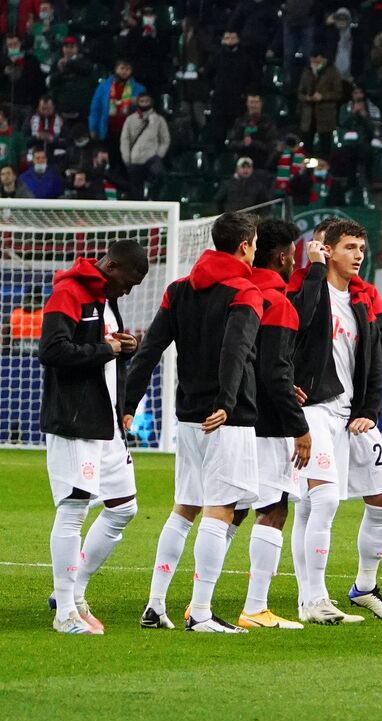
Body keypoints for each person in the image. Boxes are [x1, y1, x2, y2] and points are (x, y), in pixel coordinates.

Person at [123, 212, 263, 632]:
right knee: (219, 512)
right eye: (253, 244)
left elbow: (149, 349)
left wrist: (129, 401)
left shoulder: (178, 290)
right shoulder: (245, 290)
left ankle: (155, 604)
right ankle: (200, 612)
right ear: (244, 246)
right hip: (226, 418)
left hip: (187, 416)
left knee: (184, 509)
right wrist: (226, 399)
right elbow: (235, 350)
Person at [283, 221, 382, 625]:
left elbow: (376, 359)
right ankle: (315, 598)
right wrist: (311, 270)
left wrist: (369, 409)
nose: (359, 254)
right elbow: (301, 322)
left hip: (346, 414)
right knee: (323, 500)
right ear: (326, 251)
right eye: (349, 247)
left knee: (312, 506)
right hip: (313, 408)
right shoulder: (306, 288)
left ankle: (309, 601)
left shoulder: (360, 301)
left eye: (362, 246)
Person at [40, 240, 149, 634]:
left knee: (124, 507)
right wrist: (105, 349)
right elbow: (52, 350)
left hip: (107, 424)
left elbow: (106, 351)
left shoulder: (105, 297)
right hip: (75, 420)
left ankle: (74, 590)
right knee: (73, 509)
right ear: (112, 265)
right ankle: (65, 611)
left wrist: (124, 351)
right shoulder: (68, 292)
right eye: (131, 281)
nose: (130, 289)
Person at [231, 218, 314, 628]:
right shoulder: (278, 302)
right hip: (269, 423)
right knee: (274, 509)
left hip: (234, 417)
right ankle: (255, 607)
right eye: (293, 254)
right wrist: (299, 425)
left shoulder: (238, 292)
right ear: (282, 257)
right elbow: (275, 372)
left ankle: (199, 601)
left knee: (229, 509)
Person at [119, 92, 169, 196]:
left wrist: (158, 155)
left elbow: (165, 139)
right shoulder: (130, 120)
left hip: (152, 157)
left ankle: (153, 200)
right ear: (138, 102)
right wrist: (127, 158)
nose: (144, 103)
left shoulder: (159, 120)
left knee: (158, 176)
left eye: (147, 101)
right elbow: (125, 140)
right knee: (136, 189)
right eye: (142, 101)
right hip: (135, 159)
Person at [298, 48, 344, 156]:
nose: (314, 63)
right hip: (308, 117)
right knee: (307, 150)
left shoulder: (333, 72)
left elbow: (338, 93)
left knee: (325, 149)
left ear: (323, 59)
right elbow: (300, 93)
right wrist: (307, 98)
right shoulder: (307, 71)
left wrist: (323, 96)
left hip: (325, 117)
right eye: (313, 61)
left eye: (317, 61)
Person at [226, 94, 278, 170]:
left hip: (262, 164)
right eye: (251, 102)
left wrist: (253, 143)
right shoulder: (240, 122)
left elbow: (272, 146)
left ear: (261, 103)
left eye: (256, 102)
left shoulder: (268, 123)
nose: (253, 105)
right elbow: (231, 143)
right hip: (242, 163)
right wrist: (243, 143)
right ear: (247, 103)